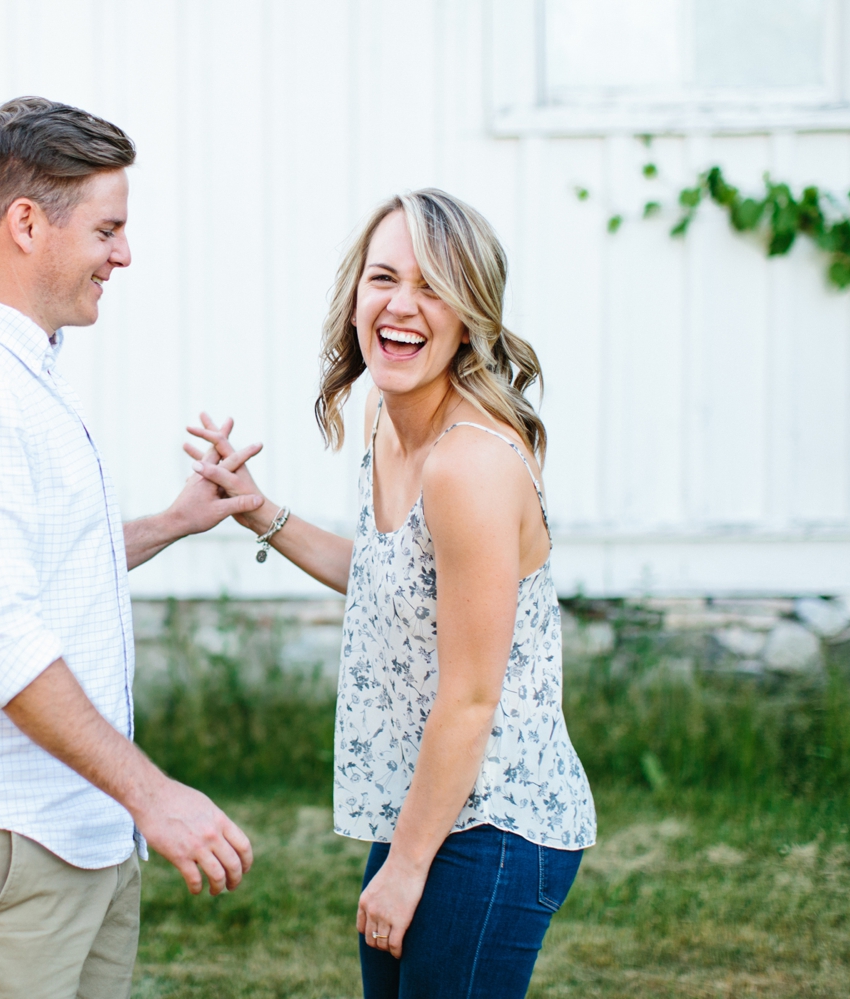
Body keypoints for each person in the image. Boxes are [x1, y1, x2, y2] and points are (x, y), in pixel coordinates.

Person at [0, 97, 262, 999]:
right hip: (4, 844)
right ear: (27, 223)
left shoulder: (19, 372)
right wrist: (156, 796)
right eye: (108, 229)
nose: (124, 254)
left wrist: (173, 520)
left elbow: (36, 563)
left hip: (80, 828)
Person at [186, 189, 597, 998]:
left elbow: (472, 697)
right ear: (354, 298)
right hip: (430, 802)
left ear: (471, 314)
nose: (402, 305)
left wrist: (407, 866)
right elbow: (389, 577)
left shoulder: (468, 465)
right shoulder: (388, 413)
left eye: (433, 285)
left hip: (498, 824)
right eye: (383, 278)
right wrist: (258, 509)